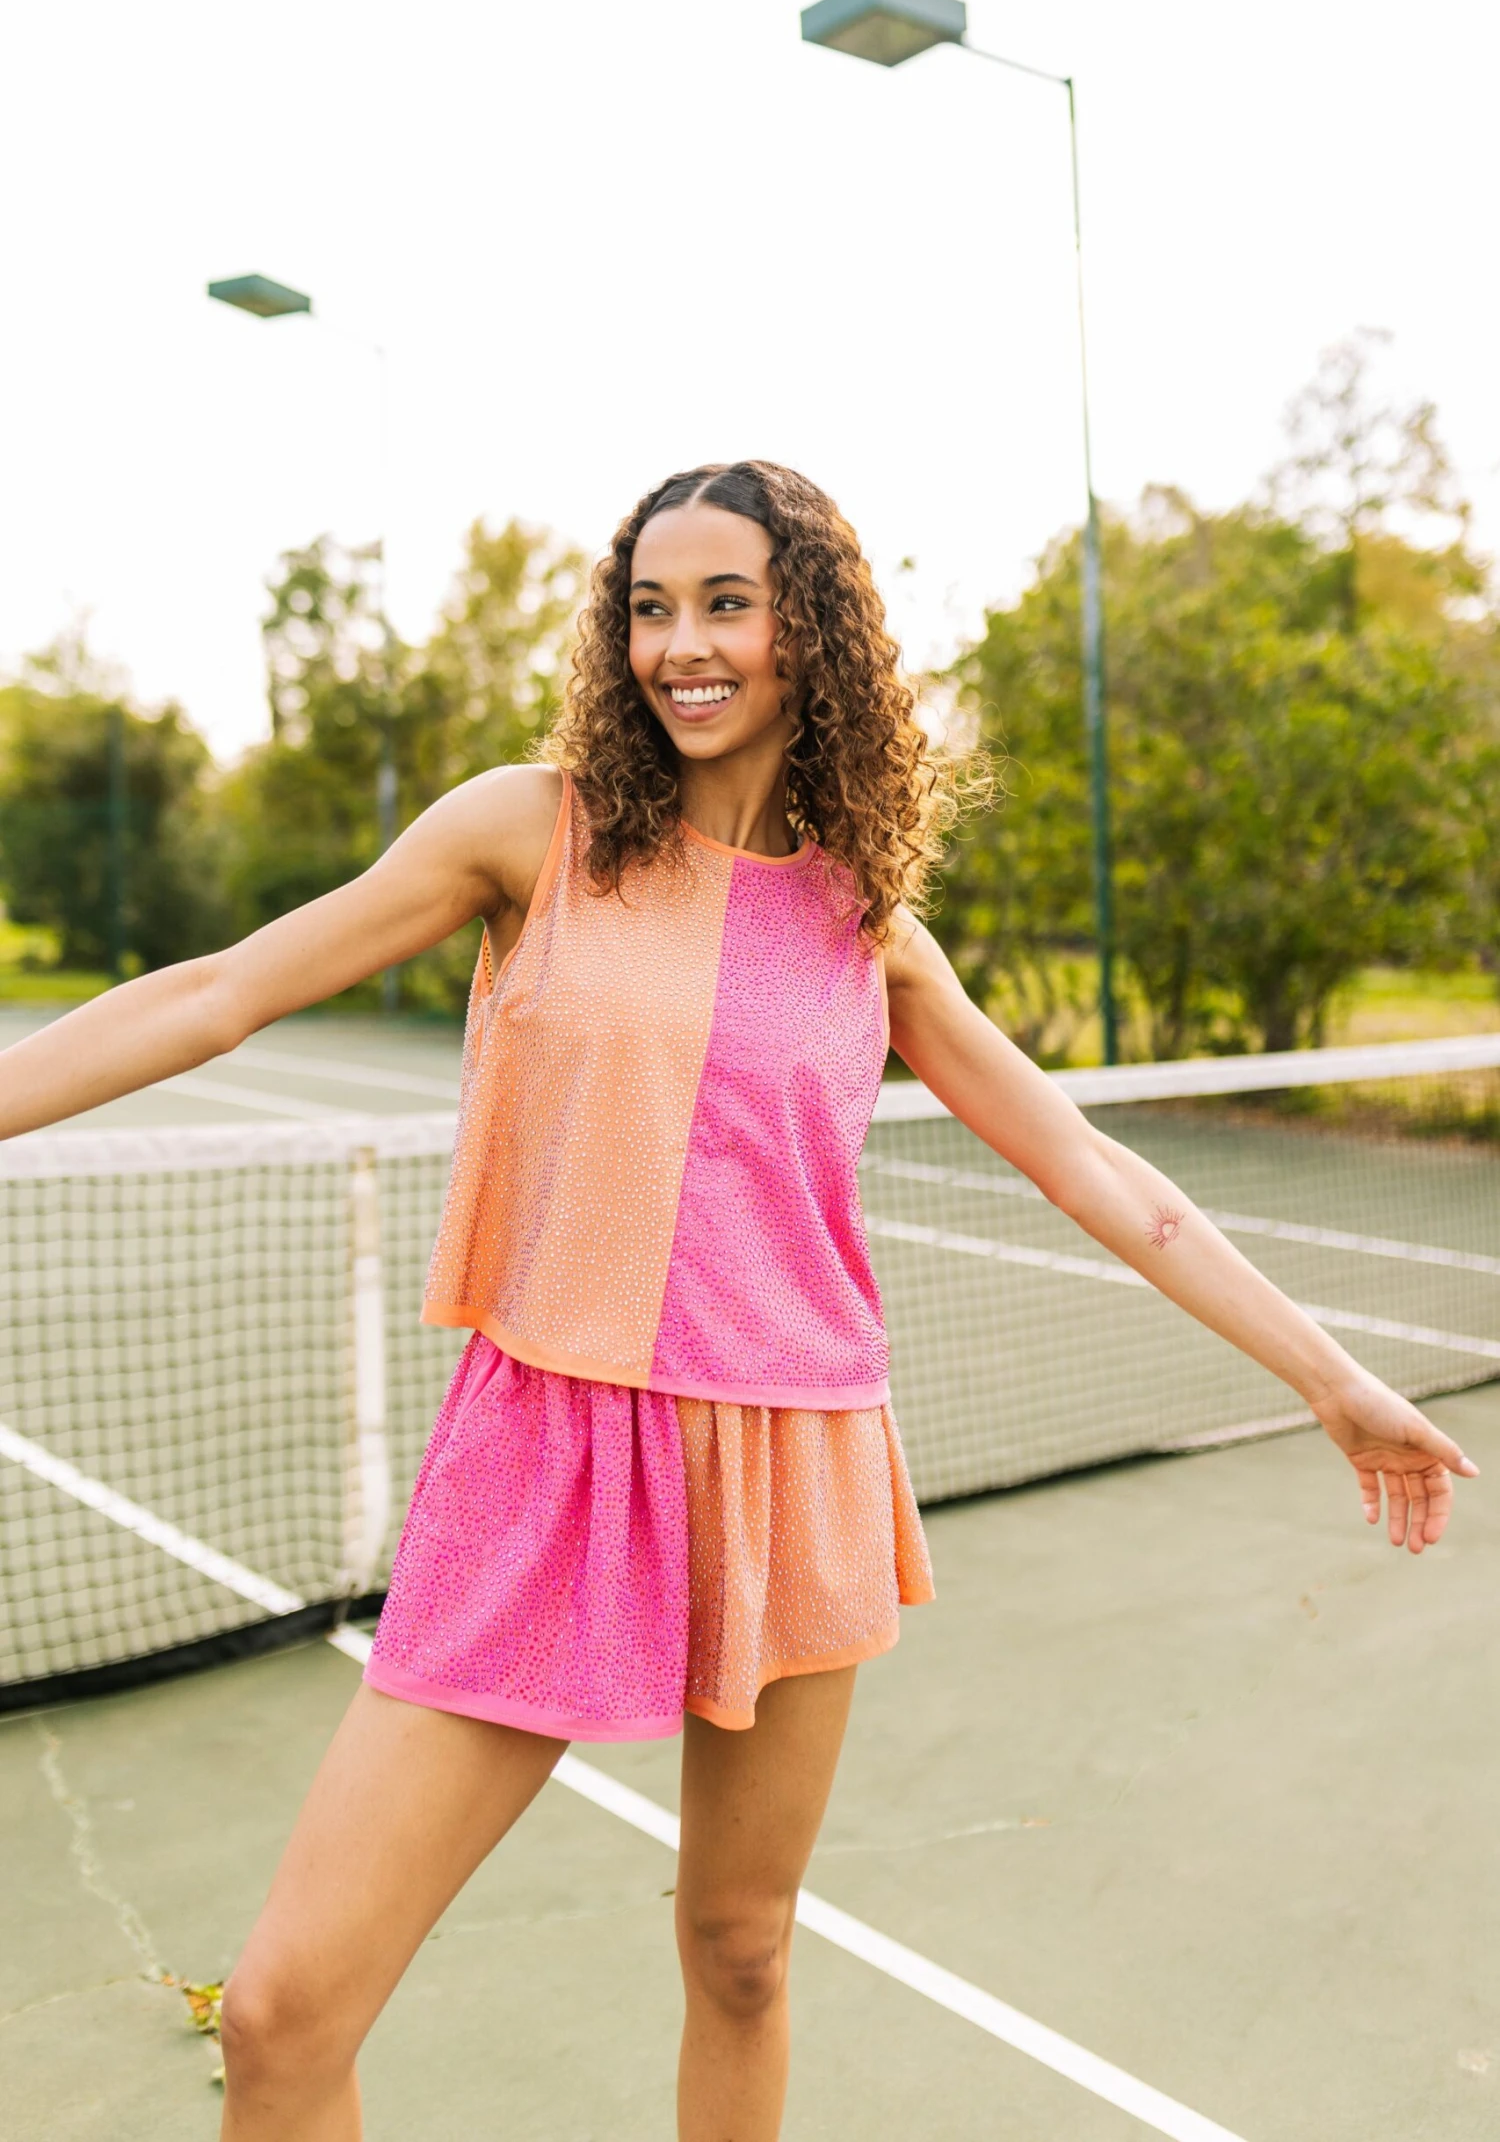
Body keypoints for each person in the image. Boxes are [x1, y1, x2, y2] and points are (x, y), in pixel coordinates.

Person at [1, 460, 1477, 2141]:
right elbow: (216, 992)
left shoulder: (870, 929)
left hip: (794, 1464)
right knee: (281, 2015)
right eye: (650, 607)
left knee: (743, 1948)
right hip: (550, 1457)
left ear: (812, 631)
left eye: (726, 604)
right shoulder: (526, 830)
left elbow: (1098, 1172)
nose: (680, 645)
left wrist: (1334, 1380)